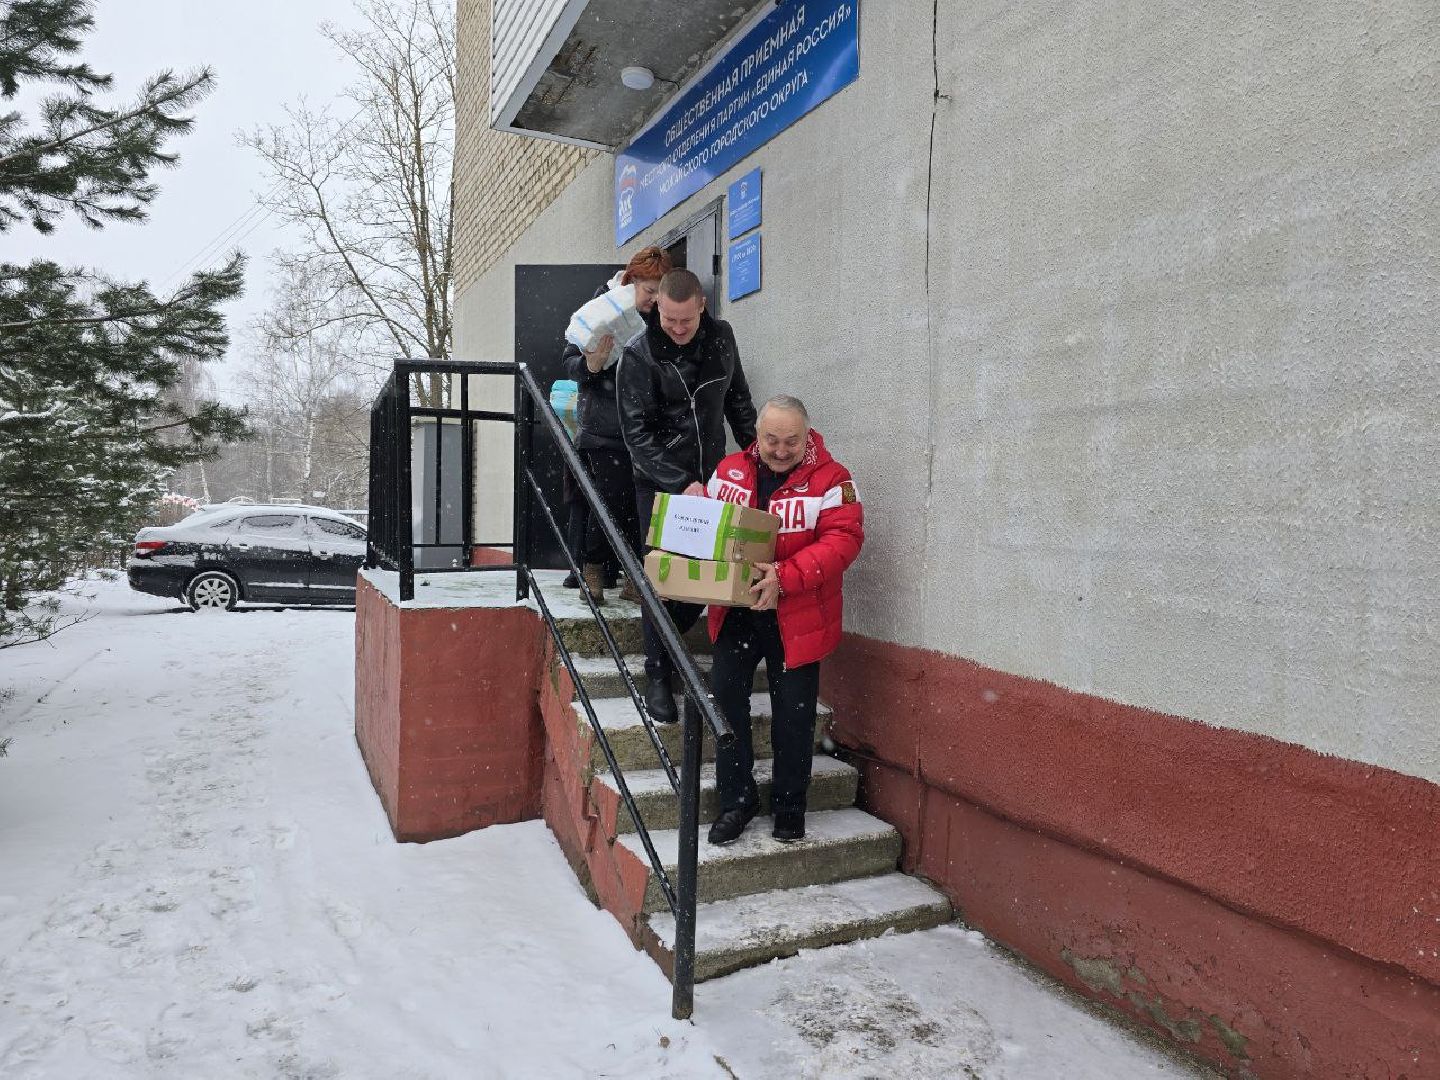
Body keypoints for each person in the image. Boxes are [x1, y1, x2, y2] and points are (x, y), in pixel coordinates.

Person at [701, 395, 864, 845]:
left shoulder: (834, 480)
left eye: (791, 441)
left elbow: (844, 540)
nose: (779, 449)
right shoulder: (730, 470)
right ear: (757, 433)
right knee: (727, 706)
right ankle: (737, 800)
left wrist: (784, 576)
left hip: (797, 618)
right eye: (771, 439)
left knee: (793, 717)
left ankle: (790, 808)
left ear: (807, 436)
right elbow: (709, 530)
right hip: (737, 613)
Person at [617, 268, 757, 723]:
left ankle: (670, 648)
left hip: (713, 478)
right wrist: (681, 483)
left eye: (685, 320)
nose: (677, 330)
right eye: (668, 320)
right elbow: (636, 434)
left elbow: (737, 403)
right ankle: (657, 674)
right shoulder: (637, 356)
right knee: (662, 577)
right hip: (659, 483)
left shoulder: (722, 339)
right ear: (657, 308)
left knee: (703, 577)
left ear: (701, 306)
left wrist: (755, 461)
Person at [560, 246, 673, 603]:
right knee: (609, 501)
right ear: (628, 282)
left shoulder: (662, 318)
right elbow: (570, 362)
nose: (654, 300)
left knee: (642, 507)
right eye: (648, 291)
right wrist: (592, 365)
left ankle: (633, 576)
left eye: (660, 291)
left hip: (646, 429)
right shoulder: (600, 311)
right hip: (605, 430)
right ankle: (593, 569)